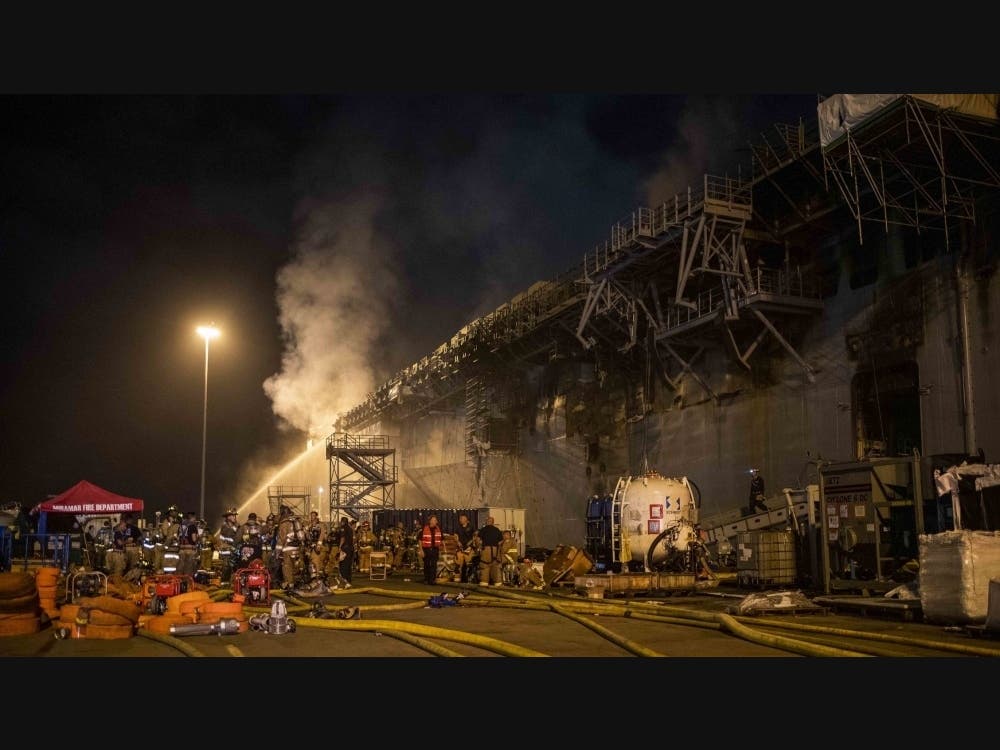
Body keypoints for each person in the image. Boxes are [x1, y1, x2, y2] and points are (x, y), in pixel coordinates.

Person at [476, 516, 504, 586]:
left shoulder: (483, 529)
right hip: (495, 551)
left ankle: (484, 582)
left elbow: (478, 540)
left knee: (485, 566)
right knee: (496, 567)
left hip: (486, 550)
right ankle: (498, 583)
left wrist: (479, 547)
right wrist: (496, 546)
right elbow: (501, 541)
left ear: (487, 522)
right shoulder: (497, 530)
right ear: (493, 522)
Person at [451, 513, 477, 583]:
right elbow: (455, 535)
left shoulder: (471, 527)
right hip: (460, 548)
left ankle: (469, 579)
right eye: (460, 519)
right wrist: (458, 542)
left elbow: (475, 536)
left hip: (469, 549)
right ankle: (457, 579)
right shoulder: (458, 527)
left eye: (461, 518)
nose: (460, 520)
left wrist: (471, 542)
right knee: (458, 564)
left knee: (468, 564)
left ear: (466, 519)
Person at [217, 507, 240, 582]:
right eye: (233, 516)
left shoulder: (235, 526)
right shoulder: (225, 527)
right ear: (228, 517)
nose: (234, 517)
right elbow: (230, 533)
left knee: (233, 570)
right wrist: (237, 527)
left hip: (233, 552)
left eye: (235, 516)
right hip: (226, 552)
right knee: (226, 569)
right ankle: (224, 584)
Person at [419, 515, 444, 585]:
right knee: (427, 564)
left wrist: (441, 549)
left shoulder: (439, 529)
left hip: (435, 549)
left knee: (434, 565)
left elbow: (441, 539)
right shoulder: (424, 528)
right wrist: (421, 550)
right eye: (434, 520)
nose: (435, 521)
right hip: (426, 549)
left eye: (436, 520)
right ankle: (426, 579)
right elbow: (420, 540)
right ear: (430, 521)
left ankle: (432, 580)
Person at [178, 511, 200, 576]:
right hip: (190, 550)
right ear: (192, 518)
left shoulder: (181, 526)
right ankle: (187, 583)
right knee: (189, 569)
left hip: (181, 550)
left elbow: (177, 537)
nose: (195, 520)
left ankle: (179, 582)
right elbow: (194, 539)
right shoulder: (193, 526)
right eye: (195, 518)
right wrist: (198, 537)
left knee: (180, 567)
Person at [337, 516, 354, 588]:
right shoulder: (350, 528)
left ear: (342, 522)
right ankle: (348, 581)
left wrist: (340, 547)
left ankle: (344, 581)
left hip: (345, 548)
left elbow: (342, 538)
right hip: (350, 548)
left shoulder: (343, 528)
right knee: (348, 565)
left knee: (343, 565)